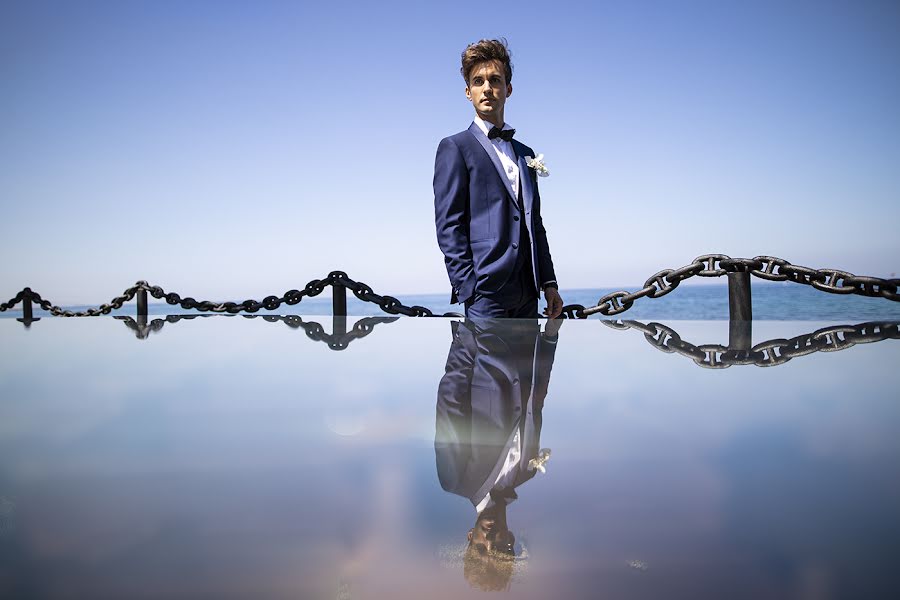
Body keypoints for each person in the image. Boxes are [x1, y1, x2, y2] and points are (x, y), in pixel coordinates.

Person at [434, 39, 564, 319]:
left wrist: (549, 283)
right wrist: (468, 287)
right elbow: (449, 225)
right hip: (485, 293)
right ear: (468, 92)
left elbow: (535, 224)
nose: (487, 88)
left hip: (528, 292)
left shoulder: (525, 154)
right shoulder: (455, 147)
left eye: (495, 80)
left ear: (508, 89)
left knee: (527, 365)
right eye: (478, 81)